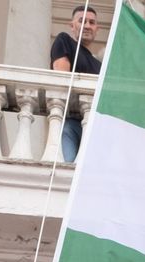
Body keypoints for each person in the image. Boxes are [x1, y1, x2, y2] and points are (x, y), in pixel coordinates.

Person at [50, 4, 100, 162]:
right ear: (72, 25)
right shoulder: (64, 40)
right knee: (68, 167)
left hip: (91, 126)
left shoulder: (99, 65)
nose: (87, 26)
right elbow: (62, 81)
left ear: (97, 28)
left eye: (92, 22)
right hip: (70, 121)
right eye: (82, 21)